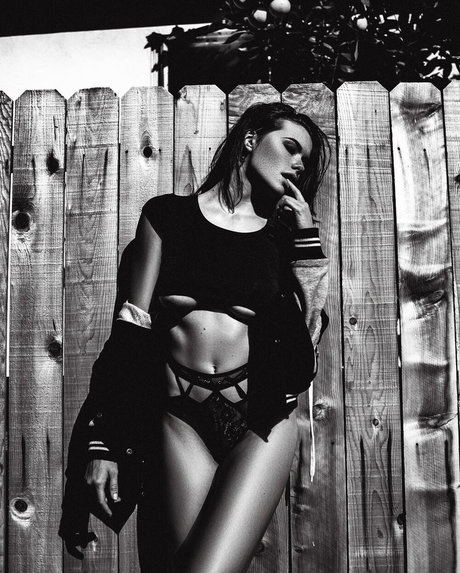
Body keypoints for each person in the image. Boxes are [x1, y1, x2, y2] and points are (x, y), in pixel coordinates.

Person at [59, 102, 330, 572]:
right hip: (181, 417)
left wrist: (306, 240)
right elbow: (130, 331)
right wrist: (102, 441)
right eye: (290, 147)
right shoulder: (166, 217)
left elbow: (305, 347)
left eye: (305, 159)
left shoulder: (282, 238)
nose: (298, 164)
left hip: (262, 420)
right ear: (250, 140)